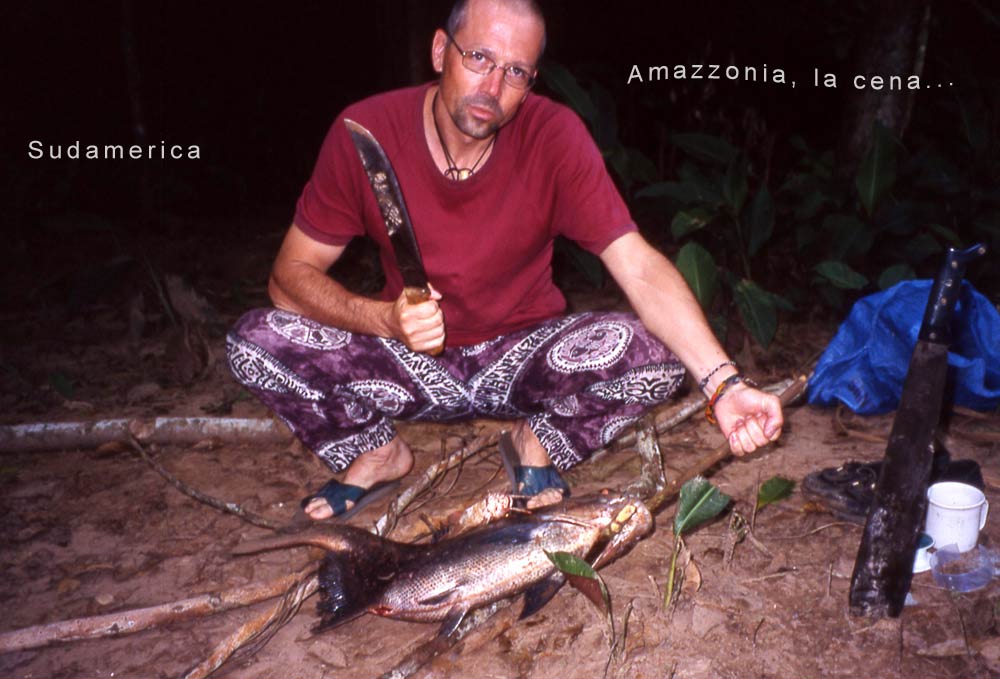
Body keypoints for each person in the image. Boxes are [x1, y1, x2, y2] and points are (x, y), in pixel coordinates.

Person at [226, 0, 783, 520]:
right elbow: (287, 281)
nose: (492, 86)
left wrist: (725, 386)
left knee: (656, 351)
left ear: (532, 81)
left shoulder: (554, 135)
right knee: (255, 340)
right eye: (479, 58)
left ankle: (533, 443)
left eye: (516, 72)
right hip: (407, 358)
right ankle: (377, 453)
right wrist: (384, 319)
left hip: (521, 362)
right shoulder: (368, 131)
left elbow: (635, 262)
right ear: (441, 51)